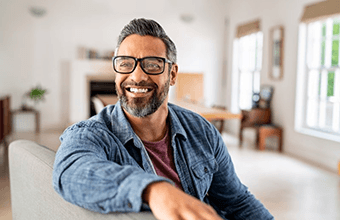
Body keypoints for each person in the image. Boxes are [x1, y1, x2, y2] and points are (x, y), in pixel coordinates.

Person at [53, 18, 274, 220]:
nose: (137, 76)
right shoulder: (91, 134)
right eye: (125, 63)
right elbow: (70, 171)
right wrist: (154, 190)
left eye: (152, 64)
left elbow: (237, 201)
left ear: (173, 74)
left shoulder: (202, 131)